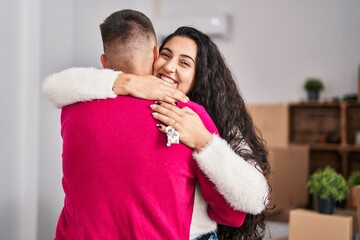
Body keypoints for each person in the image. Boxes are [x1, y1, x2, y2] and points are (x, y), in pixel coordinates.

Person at [43, 13, 270, 240]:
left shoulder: (74, 106)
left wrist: (204, 142)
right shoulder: (185, 111)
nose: (170, 67)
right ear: (154, 54)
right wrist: (127, 81)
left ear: (202, 75)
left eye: (184, 63)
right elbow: (230, 215)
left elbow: (253, 198)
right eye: (166, 55)